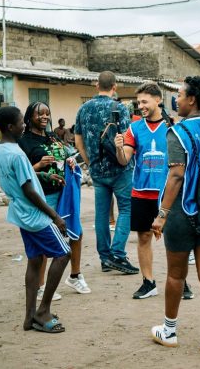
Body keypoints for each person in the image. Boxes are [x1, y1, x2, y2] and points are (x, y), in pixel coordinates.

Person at [150, 76, 200, 358]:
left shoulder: (178, 132)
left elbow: (176, 175)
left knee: (175, 274)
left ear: (192, 99)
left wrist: (161, 215)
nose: (177, 100)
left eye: (180, 95)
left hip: (183, 211)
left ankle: (169, 331)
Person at [0, 106, 71, 333]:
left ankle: (29, 317)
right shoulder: (17, 153)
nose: (24, 125)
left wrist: (44, 174)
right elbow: (28, 189)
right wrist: (55, 216)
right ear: (11, 127)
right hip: (35, 215)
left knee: (35, 260)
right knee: (64, 253)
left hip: (21, 213)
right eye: (21, 122)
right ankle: (43, 310)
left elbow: (21, 177)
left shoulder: (2, 148)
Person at [19, 101, 90, 299]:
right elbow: (21, 174)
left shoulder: (51, 136)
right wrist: (39, 164)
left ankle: (75, 275)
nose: (44, 117)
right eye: (39, 114)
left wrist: (69, 160)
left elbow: (66, 154)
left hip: (63, 193)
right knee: (45, 240)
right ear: (29, 117)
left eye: (47, 113)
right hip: (43, 196)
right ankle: (41, 286)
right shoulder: (24, 142)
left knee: (76, 232)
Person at [115, 82, 176, 299]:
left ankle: (181, 282)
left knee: (174, 239)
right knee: (143, 237)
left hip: (167, 192)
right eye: (138, 102)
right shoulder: (134, 128)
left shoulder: (173, 127)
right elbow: (124, 160)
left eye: (144, 101)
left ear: (157, 100)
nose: (141, 105)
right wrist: (118, 146)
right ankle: (148, 282)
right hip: (141, 191)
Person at [74, 71, 138, 274]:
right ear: (115, 86)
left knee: (101, 214)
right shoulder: (120, 108)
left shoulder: (83, 109)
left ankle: (105, 258)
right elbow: (128, 139)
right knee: (126, 209)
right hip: (121, 168)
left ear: (96, 85)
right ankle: (118, 253)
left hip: (97, 170)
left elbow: (78, 140)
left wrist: (89, 162)